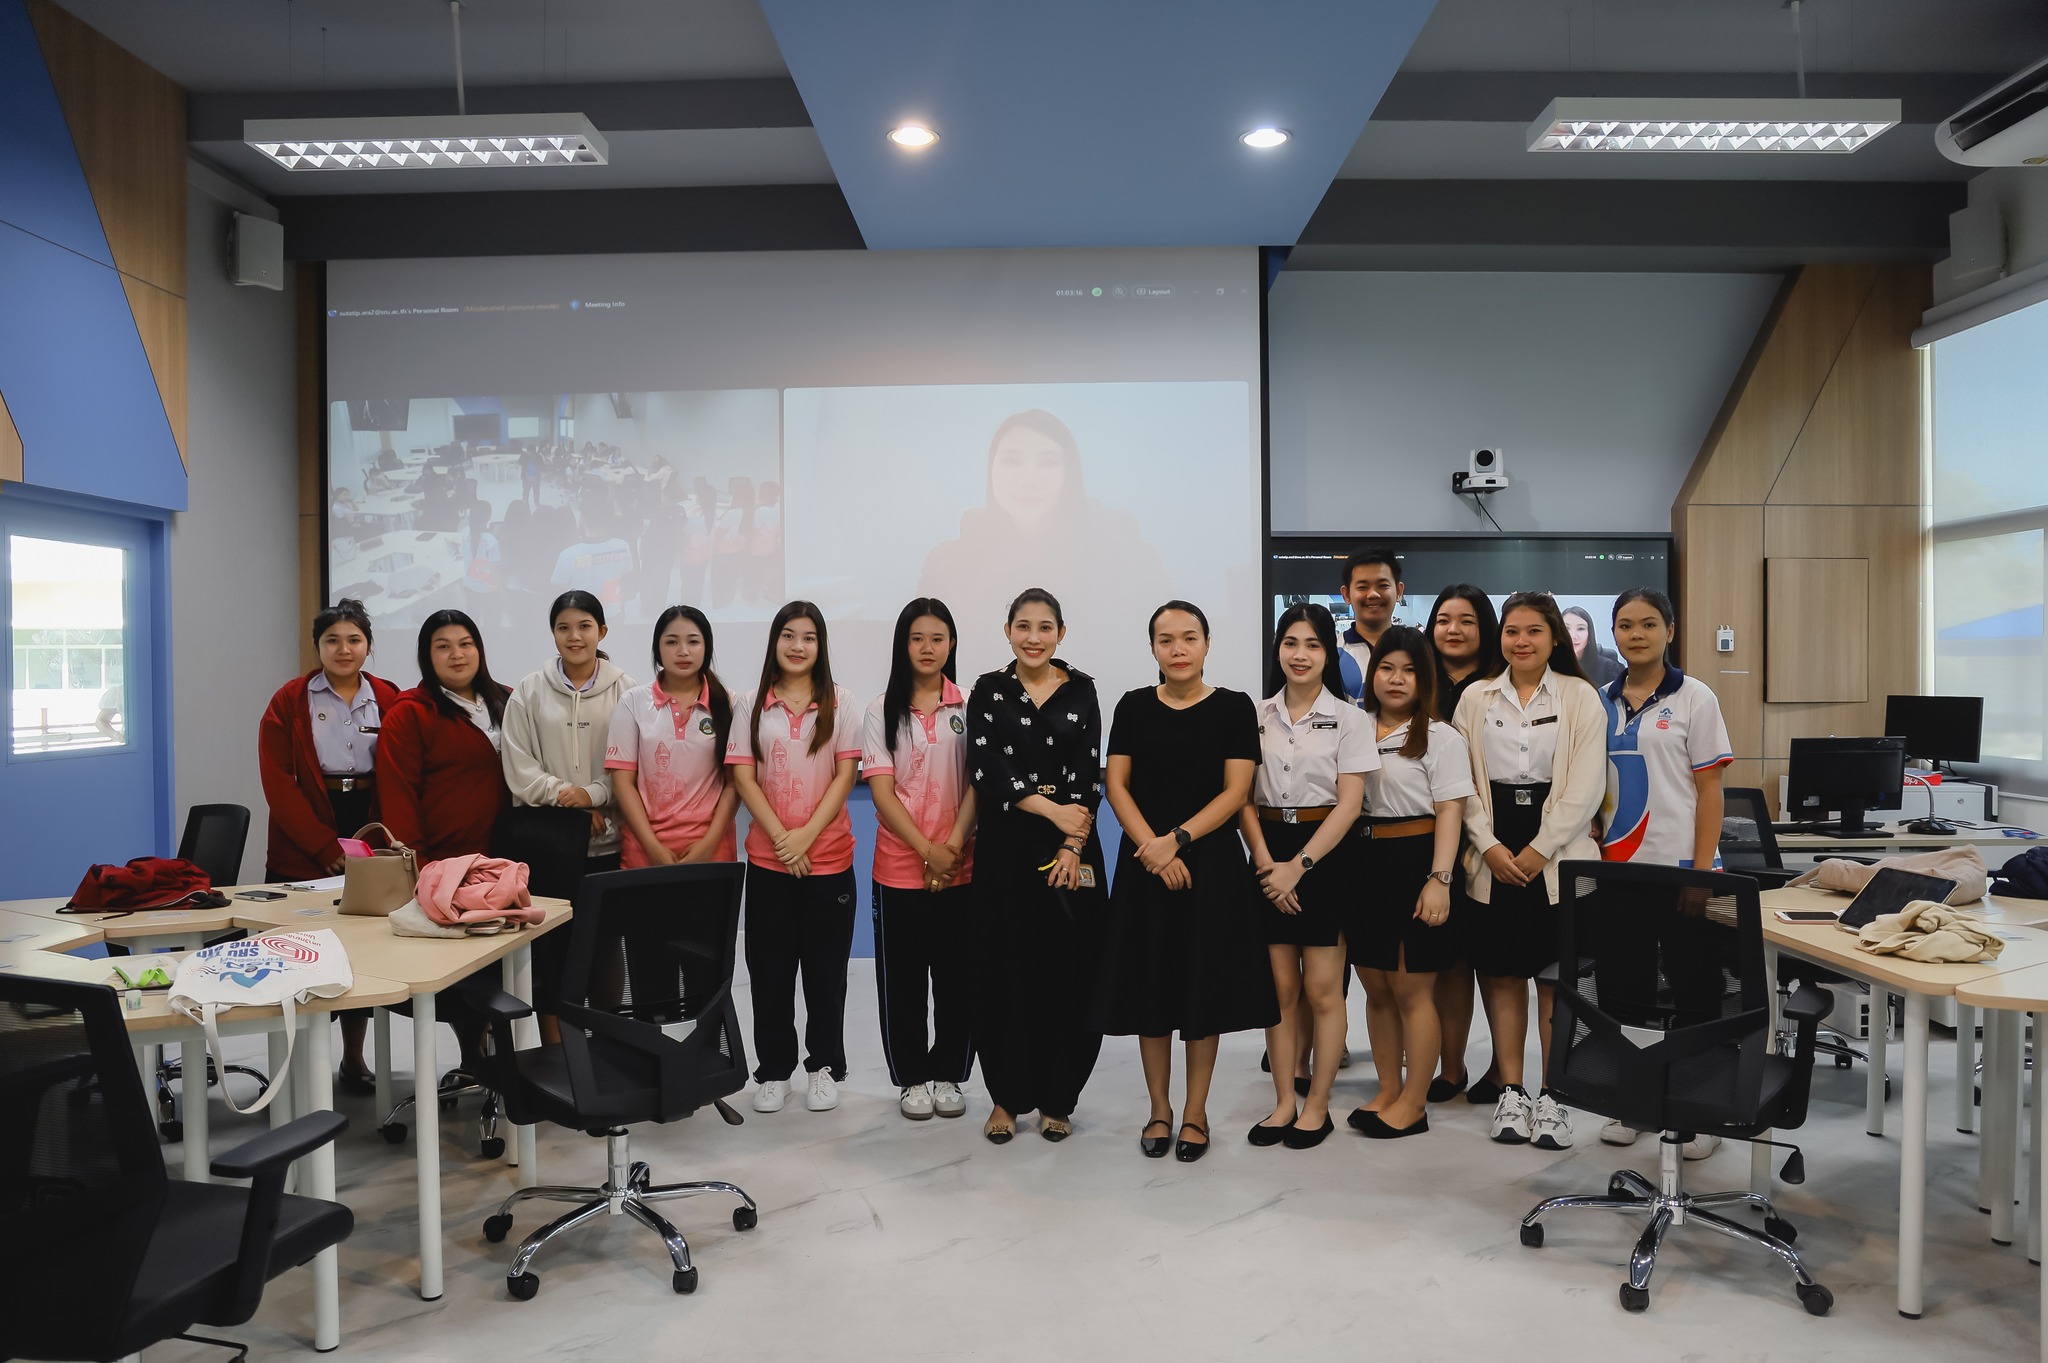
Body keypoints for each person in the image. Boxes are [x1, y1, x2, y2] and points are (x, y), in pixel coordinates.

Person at [1095, 601, 1273, 1163]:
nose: (1178, 649)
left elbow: (1235, 791)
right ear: (1152, 648)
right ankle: (1158, 1109)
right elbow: (1116, 784)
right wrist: (1153, 848)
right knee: (1152, 987)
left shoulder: (1234, 708)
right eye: (1166, 640)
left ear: (1206, 644)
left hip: (1208, 865)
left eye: (1188, 638)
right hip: (1145, 864)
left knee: (1200, 990)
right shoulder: (1131, 706)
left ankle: (1195, 1112)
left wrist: (1178, 840)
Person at [1452, 591, 1606, 1151]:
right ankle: (1513, 1090)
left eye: (1533, 632)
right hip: (1491, 853)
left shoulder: (1581, 697)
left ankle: (1554, 1096)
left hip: (1558, 857)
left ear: (1554, 639)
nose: (1521, 641)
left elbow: (1586, 787)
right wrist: (1489, 847)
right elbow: (1459, 780)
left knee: (1554, 980)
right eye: (1512, 631)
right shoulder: (1475, 698)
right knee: (1500, 975)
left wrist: (1540, 849)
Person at [1595, 587, 1735, 1157]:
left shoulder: (1695, 697)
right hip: (1621, 873)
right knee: (1622, 994)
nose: (1636, 634)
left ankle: (1697, 1113)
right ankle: (1634, 1102)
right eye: (1625, 625)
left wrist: (1701, 874)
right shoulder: (1599, 700)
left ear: (1670, 631)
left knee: (1695, 994)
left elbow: (1710, 791)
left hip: (1683, 872)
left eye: (1648, 624)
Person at [967, 588, 1108, 1145]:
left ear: (1060, 634)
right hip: (1007, 844)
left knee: (1068, 971)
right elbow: (988, 768)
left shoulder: (1083, 690)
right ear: (1007, 631)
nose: (1033, 637)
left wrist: (1072, 847)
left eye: (1044, 627)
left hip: (1073, 846)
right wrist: (1052, 811)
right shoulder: (988, 690)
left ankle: (1058, 1098)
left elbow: (1087, 771)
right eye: (1022, 626)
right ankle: (1006, 1097)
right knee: (1004, 970)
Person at [1238, 604, 1371, 1150]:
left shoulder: (1350, 718)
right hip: (1269, 852)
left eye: (1313, 644)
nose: (1300, 654)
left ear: (1328, 653)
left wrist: (1300, 867)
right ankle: (1284, 1102)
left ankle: (1317, 1105)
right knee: (1281, 990)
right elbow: (1242, 796)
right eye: (1290, 643)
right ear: (1278, 651)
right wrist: (1269, 863)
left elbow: (1350, 804)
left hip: (1325, 856)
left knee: (1322, 990)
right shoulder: (1256, 715)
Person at [256, 598, 402, 1092]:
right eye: (332, 640)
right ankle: (297, 1066)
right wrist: (323, 847)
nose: (344, 649)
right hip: (306, 828)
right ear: (317, 645)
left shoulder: (389, 695)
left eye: (354, 640)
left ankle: (354, 1059)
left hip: (368, 821)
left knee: (358, 949)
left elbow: (399, 772)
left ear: (368, 645)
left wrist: (384, 840)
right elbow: (278, 782)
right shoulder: (290, 699)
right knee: (300, 950)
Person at [727, 601, 862, 1116]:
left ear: (821, 645)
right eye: (789, 635)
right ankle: (774, 1070)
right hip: (769, 862)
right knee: (770, 972)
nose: (798, 646)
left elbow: (846, 775)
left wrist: (805, 836)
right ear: (775, 642)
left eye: (809, 637)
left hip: (829, 860)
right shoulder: (751, 703)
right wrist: (784, 839)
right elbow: (743, 776)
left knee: (827, 974)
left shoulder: (841, 702)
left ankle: (824, 1067)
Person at [1347, 627, 1474, 1139]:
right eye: (1386, 668)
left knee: (1412, 990)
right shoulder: (1354, 728)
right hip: (1362, 860)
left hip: (1416, 859)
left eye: (1410, 670)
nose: (1396, 680)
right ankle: (1386, 1087)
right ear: (1372, 673)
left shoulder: (1442, 737)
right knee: (1375, 986)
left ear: (1427, 679)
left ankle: (1414, 1102)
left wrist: (1439, 878)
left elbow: (1450, 812)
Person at [917, 409, 1172, 657]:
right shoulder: (947, 564)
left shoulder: (1127, 556)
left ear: (1069, 472)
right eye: (1012, 461)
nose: (1029, 479)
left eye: (1048, 463)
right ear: (991, 469)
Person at [862, 599, 978, 1122]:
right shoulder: (880, 707)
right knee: (903, 982)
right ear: (902, 645)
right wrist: (928, 851)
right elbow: (883, 793)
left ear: (951, 643)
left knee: (958, 978)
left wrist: (950, 848)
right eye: (917, 638)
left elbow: (979, 782)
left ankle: (951, 1072)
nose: (927, 648)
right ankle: (911, 1078)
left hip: (963, 865)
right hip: (899, 868)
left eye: (937, 638)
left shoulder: (972, 705)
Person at [1424, 584, 1505, 1106]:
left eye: (1467, 620)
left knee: (1497, 965)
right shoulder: (1417, 681)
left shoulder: (1500, 685)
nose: (1453, 629)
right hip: (1430, 844)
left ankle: (1504, 1068)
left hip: (1496, 841)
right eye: (1444, 619)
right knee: (1447, 965)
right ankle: (1450, 1068)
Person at [501, 591, 634, 891]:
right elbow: (518, 764)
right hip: (547, 842)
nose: (574, 636)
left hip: (610, 842)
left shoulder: (627, 691)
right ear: (553, 633)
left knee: (605, 935)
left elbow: (636, 766)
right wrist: (568, 797)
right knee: (552, 936)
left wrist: (593, 795)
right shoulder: (529, 691)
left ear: (602, 632)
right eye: (563, 628)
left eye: (584, 626)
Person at [606, 606, 740, 869]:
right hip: (644, 853)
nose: (683, 651)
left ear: (707, 647)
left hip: (712, 852)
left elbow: (735, 784)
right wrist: (653, 848)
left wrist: (708, 844)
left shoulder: (730, 703)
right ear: (657, 649)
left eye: (693, 641)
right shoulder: (632, 702)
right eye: (671, 642)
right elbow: (622, 783)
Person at [375, 609, 513, 862]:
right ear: (427, 656)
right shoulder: (409, 714)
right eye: (443, 646)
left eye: (465, 644)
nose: (457, 655)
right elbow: (398, 800)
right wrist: (417, 867)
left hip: (514, 856)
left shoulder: (510, 700)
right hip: (444, 863)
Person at [1336, 548, 1404, 706]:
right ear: (1346, 595)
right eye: (1362, 587)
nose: (1373, 594)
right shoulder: (1332, 653)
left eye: (1382, 585)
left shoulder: (1417, 650)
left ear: (1399, 591)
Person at [1562, 604, 1623, 690]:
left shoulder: (1608, 668)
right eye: (1566, 628)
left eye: (1580, 629)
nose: (1573, 636)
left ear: (1589, 634)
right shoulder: (1548, 666)